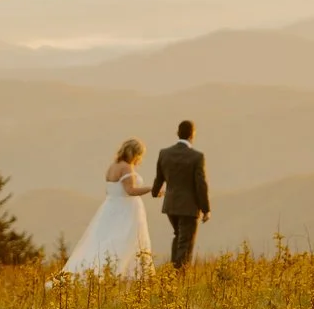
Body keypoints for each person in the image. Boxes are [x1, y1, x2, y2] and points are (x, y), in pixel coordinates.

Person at [59, 137, 154, 277]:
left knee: (105, 239)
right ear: (135, 154)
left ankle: (101, 270)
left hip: (111, 208)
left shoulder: (113, 166)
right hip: (125, 210)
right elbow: (130, 190)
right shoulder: (126, 167)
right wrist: (151, 189)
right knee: (124, 241)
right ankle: (119, 273)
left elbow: (111, 189)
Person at [151, 119, 211, 269]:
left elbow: (159, 178)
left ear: (177, 133)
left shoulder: (164, 153)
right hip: (189, 207)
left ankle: (172, 272)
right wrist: (206, 209)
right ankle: (180, 274)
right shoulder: (197, 156)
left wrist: (155, 192)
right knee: (186, 241)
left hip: (170, 205)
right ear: (192, 135)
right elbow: (200, 184)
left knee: (179, 236)